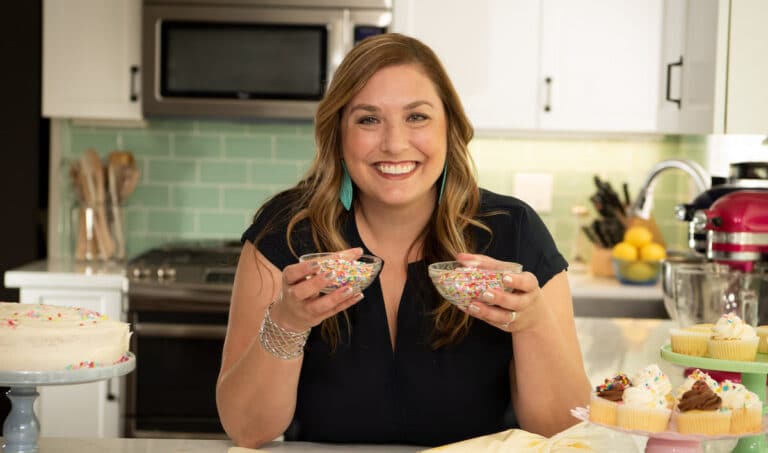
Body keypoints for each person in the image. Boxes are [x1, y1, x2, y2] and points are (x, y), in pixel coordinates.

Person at [216, 33, 590, 448]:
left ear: (450, 128)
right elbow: (246, 430)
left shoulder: (512, 231)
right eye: (368, 119)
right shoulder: (286, 232)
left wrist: (533, 324)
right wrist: (287, 322)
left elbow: (563, 431)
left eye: (417, 117)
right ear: (339, 133)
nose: (394, 144)